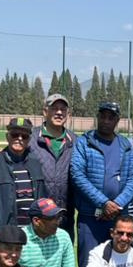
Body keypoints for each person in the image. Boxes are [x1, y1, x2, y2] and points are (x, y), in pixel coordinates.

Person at [71, 101, 133, 267]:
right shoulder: (84, 142)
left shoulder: (125, 145)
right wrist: (103, 202)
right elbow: (77, 174)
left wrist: (117, 204)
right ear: (98, 117)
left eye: (111, 117)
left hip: (117, 217)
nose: (107, 121)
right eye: (103, 116)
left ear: (117, 120)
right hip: (90, 217)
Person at [29, 93, 78, 245]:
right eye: (54, 108)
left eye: (63, 109)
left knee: (62, 254)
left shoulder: (75, 141)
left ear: (68, 114)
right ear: (45, 112)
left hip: (64, 214)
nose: (59, 112)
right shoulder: (31, 138)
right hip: (38, 214)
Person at [0, 117, 48, 227]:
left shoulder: (36, 163)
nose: (19, 138)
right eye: (15, 135)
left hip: (32, 230)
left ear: (29, 139)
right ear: (7, 137)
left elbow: (42, 199)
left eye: (24, 136)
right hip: (5, 230)